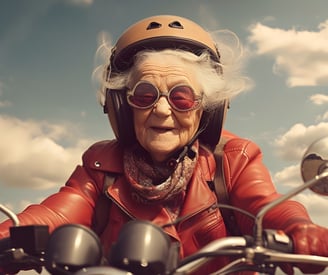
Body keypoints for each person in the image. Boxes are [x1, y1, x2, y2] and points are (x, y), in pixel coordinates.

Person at [0, 14, 327, 275]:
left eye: (181, 97)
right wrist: (7, 236)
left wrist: (299, 228)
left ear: (207, 110)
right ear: (122, 107)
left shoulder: (234, 158)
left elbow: (266, 206)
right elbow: (55, 212)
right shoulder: (100, 165)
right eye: (144, 95)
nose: (160, 109)